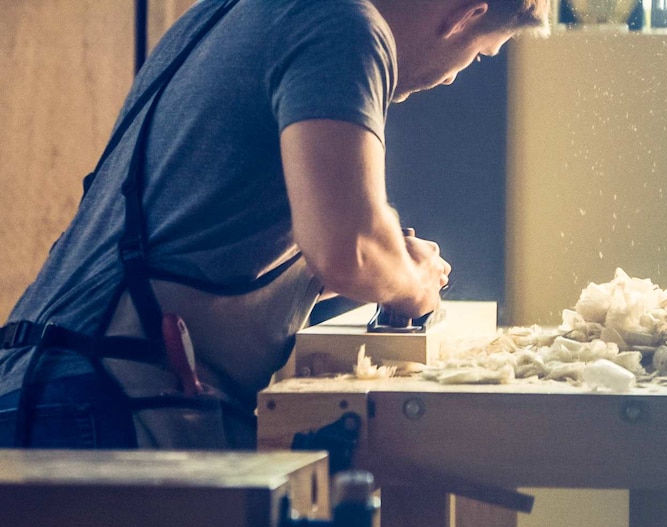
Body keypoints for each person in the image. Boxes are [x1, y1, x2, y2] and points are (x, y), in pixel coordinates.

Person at [0, 0, 550, 449]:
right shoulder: (345, 26)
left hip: (37, 385)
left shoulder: (226, 13)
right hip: (98, 405)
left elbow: (197, 243)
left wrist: (363, 260)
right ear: (464, 15)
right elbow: (350, 249)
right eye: (479, 56)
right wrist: (415, 282)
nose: (455, 77)